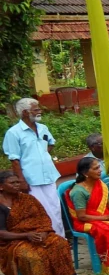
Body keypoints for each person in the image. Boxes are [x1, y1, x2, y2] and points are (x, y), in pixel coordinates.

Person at [0, 171, 76, 275]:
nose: (17, 185)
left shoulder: (28, 199)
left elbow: (43, 218)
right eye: (12, 183)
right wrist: (26, 235)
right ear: (1, 187)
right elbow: (1, 233)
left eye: (18, 182)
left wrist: (44, 232)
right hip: (11, 242)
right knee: (32, 255)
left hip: (36, 233)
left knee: (59, 243)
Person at [3, 98, 64, 237]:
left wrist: (42, 155)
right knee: (39, 210)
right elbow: (14, 160)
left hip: (49, 175)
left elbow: (51, 143)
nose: (39, 111)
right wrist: (21, 180)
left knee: (55, 209)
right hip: (31, 178)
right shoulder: (14, 133)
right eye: (36, 109)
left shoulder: (43, 128)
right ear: (25, 112)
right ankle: (46, 240)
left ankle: (60, 239)